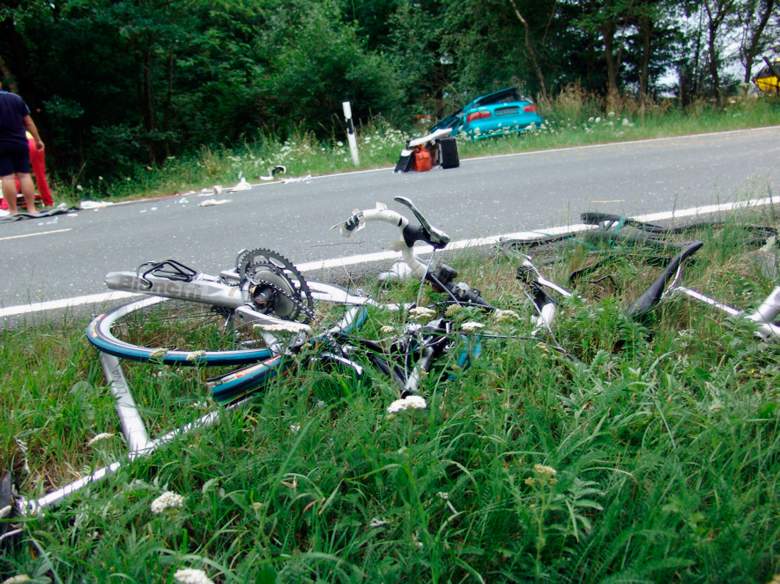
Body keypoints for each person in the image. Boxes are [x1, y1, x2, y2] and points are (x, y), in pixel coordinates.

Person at [0, 81, 44, 215]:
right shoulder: (16, 99)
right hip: (20, 142)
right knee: (24, 175)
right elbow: (29, 122)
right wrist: (37, 139)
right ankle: (31, 209)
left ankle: (13, 211)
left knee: (7, 178)